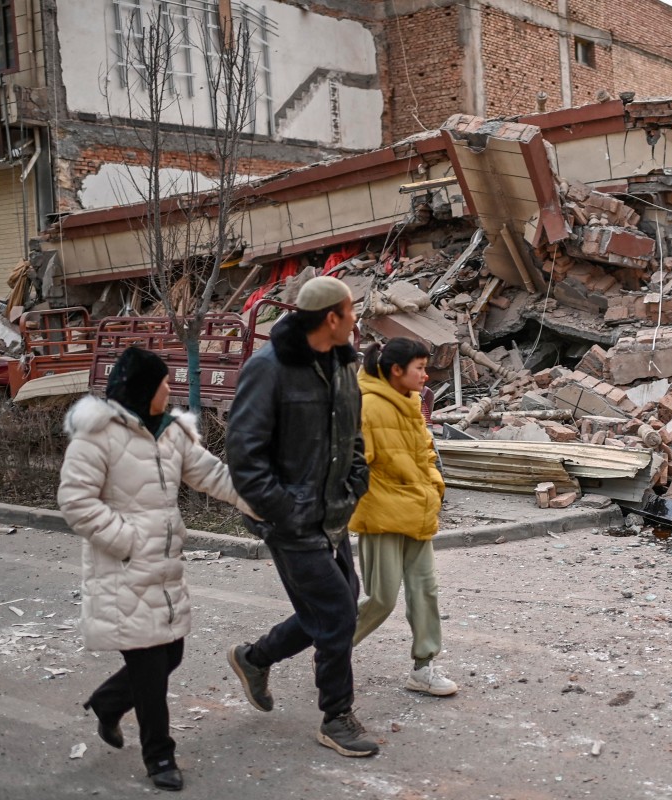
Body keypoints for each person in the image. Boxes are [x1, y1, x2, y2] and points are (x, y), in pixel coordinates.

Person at [58, 346, 253, 792]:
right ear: (144, 389)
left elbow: (211, 475)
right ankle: (159, 757)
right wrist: (127, 541)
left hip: (162, 569)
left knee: (172, 654)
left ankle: (108, 703)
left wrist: (257, 502)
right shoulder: (97, 436)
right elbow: (75, 502)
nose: (171, 388)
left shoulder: (171, 432)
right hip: (123, 568)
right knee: (149, 672)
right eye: (164, 382)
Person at [224, 276, 379, 758]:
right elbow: (244, 457)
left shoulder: (338, 364)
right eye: (351, 311)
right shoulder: (268, 368)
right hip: (290, 522)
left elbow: (350, 434)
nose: (356, 320)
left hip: (332, 514)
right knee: (335, 614)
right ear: (331, 318)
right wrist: (286, 511)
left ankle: (254, 658)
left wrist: (356, 482)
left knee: (340, 604)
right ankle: (336, 717)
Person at [350, 337, 457, 696]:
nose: (426, 376)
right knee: (381, 598)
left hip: (418, 510)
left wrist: (434, 486)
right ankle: (334, 650)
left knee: (425, 591)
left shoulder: (411, 402)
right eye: (420, 369)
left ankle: (423, 667)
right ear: (396, 370)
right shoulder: (367, 406)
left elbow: (426, 451)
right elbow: (353, 465)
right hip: (382, 516)